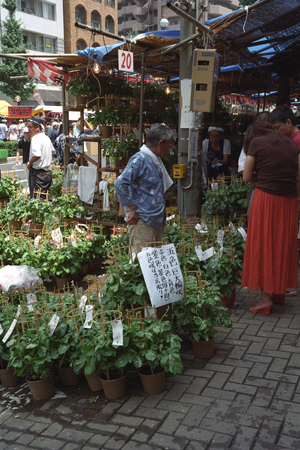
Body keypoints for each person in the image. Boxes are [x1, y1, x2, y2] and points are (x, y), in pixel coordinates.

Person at [241, 121, 300, 314]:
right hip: (290, 201)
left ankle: (265, 298)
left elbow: (247, 176)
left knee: (264, 244)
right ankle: (278, 291)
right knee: (283, 244)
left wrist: (264, 177)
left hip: (266, 199)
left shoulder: (257, 142)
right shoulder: (291, 143)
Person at [114, 123, 173, 253]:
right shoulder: (140, 159)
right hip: (143, 222)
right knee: (141, 264)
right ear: (160, 143)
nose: (169, 148)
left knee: (154, 264)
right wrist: (132, 209)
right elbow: (120, 183)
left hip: (155, 222)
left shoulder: (155, 159)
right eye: (168, 144)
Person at [26, 118, 53, 198]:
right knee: (47, 197)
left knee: (37, 200)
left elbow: (37, 154)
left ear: (37, 127)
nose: (29, 130)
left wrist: (29, 163)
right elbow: (53, 152)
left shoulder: (35, 138)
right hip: (48, 173)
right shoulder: (46, 138)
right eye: (28, 127)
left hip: (38, 174)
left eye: (30, 127)